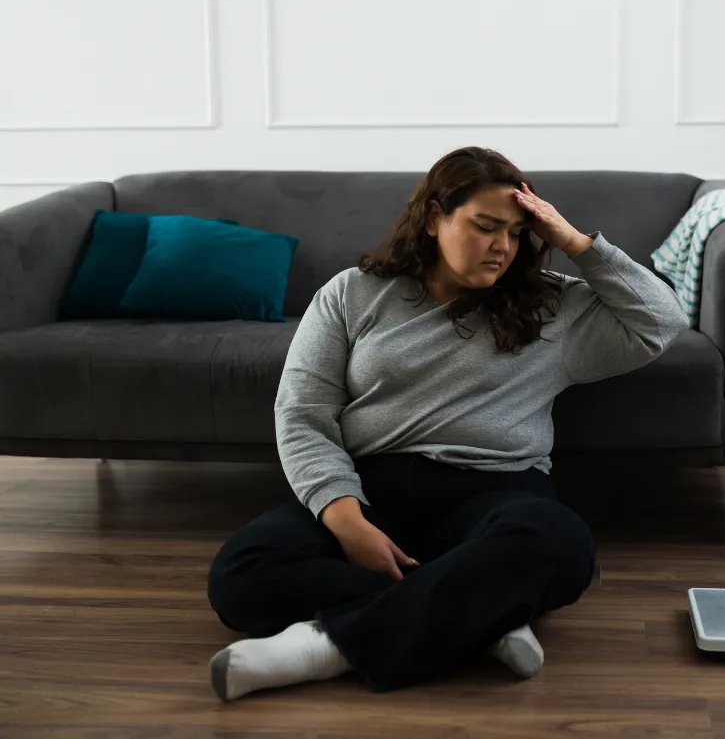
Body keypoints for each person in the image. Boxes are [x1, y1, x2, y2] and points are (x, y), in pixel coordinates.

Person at [206, 146, 688, 701]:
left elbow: (662, 321)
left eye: (515, 233)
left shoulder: (556, 306)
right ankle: (481, 612)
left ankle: (323, 647)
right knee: (238, 575)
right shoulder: (352, 293)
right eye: (486, 227)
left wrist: (576, 243)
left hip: (495, 490)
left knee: (561, 544)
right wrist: (346, 520)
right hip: (370, 491)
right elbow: (302, 412)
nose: (503, 247)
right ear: (435, 218)